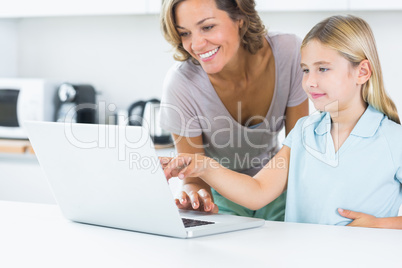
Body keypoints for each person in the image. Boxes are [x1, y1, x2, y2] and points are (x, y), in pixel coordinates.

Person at [162, 14, 402, 229]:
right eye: (306, 70)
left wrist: (382, 225)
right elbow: (257, 191)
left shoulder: (393, 140)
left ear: (362, 72)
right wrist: (202, 165)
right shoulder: (304, 133)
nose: (310, 82)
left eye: (323, 69)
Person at [159, 0, 308, 221]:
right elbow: (194, 178)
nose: (197, 44)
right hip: (221, 192)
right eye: (185, 33)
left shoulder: (290, 53)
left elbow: (298, 151)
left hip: (278, 184)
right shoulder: (182, 84)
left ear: (240, 17)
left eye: (207, 27)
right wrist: (196, 198)